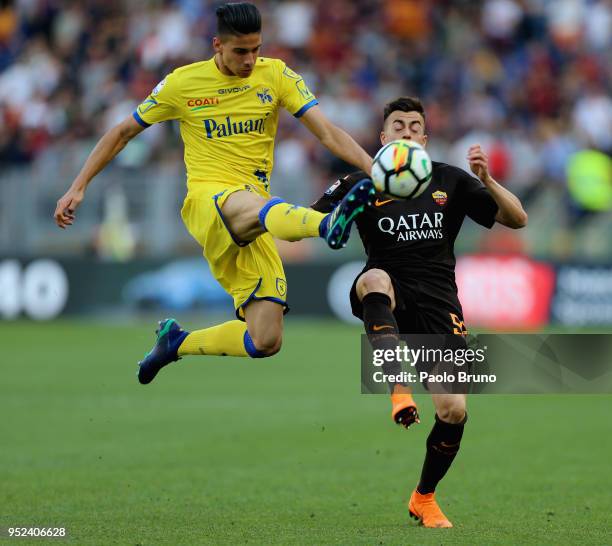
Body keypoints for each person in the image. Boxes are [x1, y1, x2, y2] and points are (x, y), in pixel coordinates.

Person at [53, 2, 374, 384]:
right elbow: (123, 132)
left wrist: (376, 170)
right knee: (253, 205)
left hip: (254, 212)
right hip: (210, 203)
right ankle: (327, 225)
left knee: (266, 339)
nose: (251, 59)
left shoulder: (277, 76)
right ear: (216, 45)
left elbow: (328, 132)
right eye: (241, 51)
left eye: (256, 49)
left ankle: (176, 342)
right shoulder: (182, 83)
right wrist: (78, 185)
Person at [311, 96, 527, 528]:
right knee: (373, 279)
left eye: (414, 126)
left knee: (453, 410)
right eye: (398, 125)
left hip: (439, 304)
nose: (406, 132)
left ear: (424, 139)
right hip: (387, 292)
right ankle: (397, 387)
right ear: (383, 137)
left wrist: (487, 179)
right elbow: (304, 222)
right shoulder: (360, 181)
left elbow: (517, 219)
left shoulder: (452, 179)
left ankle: (424, 498)